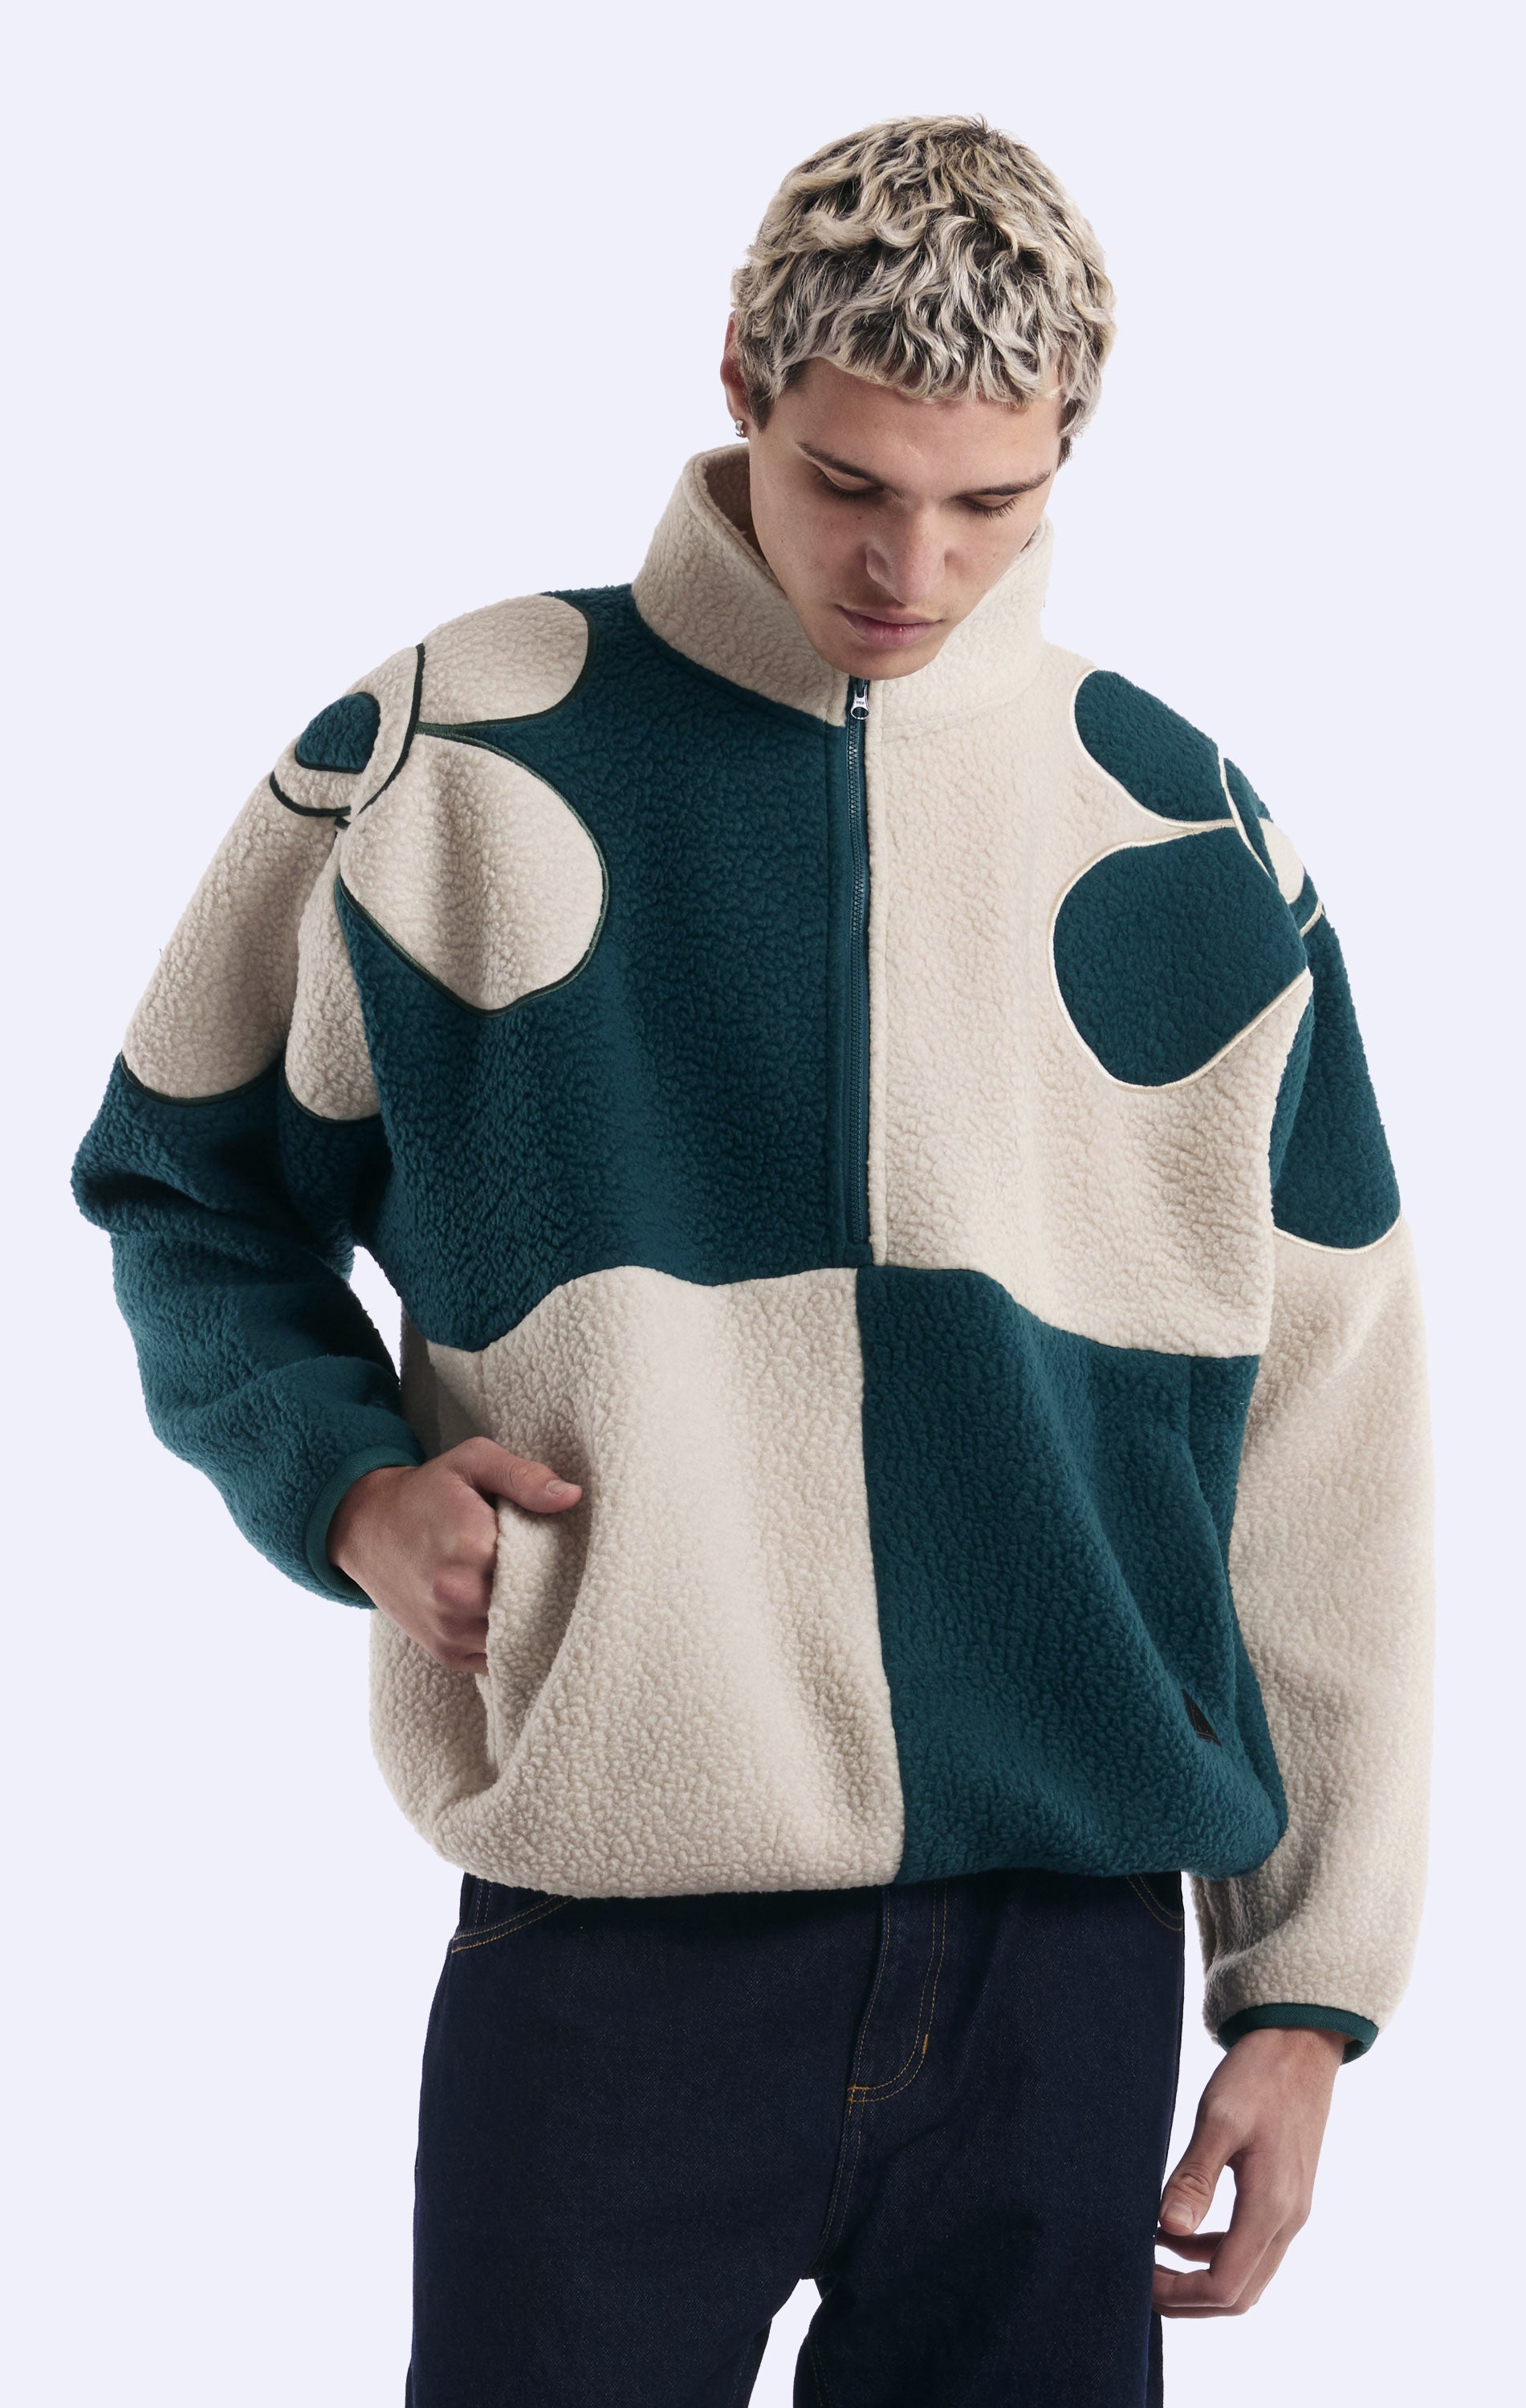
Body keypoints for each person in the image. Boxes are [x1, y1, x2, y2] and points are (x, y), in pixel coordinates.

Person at [72, 115, 1434, 2407]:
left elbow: (1329, 1437)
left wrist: (1304, 1997)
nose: (914, 563)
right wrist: (345, 1487)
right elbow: (183, 1185)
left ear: (1067, 451)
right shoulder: (448, 756)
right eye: (850, 484)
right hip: (616, 1941)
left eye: (989, 504)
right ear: (739, 381)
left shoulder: (1189, 835)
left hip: (1063, 1960)